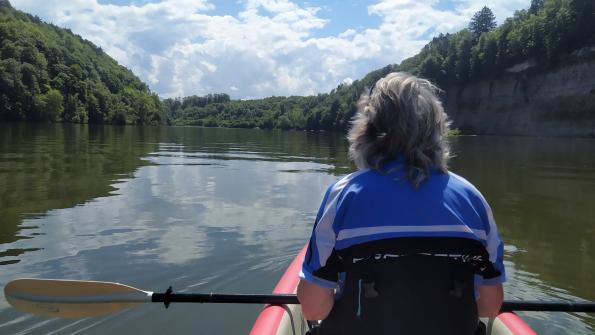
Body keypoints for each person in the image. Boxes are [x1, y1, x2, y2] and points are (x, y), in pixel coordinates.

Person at [297, 72, 506, 335]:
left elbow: (313, 310)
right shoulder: (472, 199)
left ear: (368, 132)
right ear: (437, 131)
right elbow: (489, 306)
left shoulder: (344, 195)